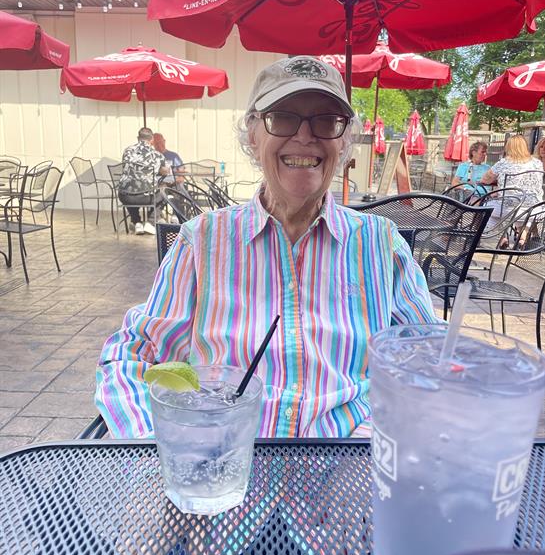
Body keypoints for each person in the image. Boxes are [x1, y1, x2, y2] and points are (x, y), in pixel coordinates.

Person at [95, 55, 437, 439]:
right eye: (284, 117)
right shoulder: (202, 242)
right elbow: (132, 355)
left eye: (326, 121)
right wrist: (164, 444)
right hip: (228, 460)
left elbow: (427, 365)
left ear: (343, 143)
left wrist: (373, 441)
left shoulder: (382, 246)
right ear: (253, 136)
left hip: (350, 458)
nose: (305, 137)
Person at [479, 135, 544, 244]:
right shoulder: (537, 163)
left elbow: (485, 180)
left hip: (509, 208)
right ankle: (522, 238)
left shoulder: (504, 163)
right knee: (521, 212)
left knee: (487, 206)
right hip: (535, 210)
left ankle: (502, 237)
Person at [118, 127, 167, 236]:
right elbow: (165, 171)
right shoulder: (157, 155)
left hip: (126, 196)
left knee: (130, 188)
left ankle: (136, 222)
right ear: (152, 140)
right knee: (164, 192)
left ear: (138, 138)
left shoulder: (127, 151)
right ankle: (150, 222)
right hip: (147, 197)